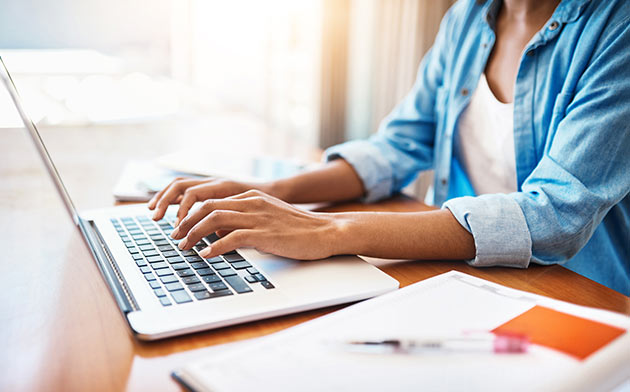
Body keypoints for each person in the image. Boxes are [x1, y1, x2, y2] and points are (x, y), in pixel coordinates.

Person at [149, 0, 630, 295]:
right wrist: (272, 193)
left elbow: (555, 216)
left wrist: (330, 230)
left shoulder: (618, 28)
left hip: (582, 294)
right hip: (471, 277)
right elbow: (399, 144)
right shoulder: (466, 18)